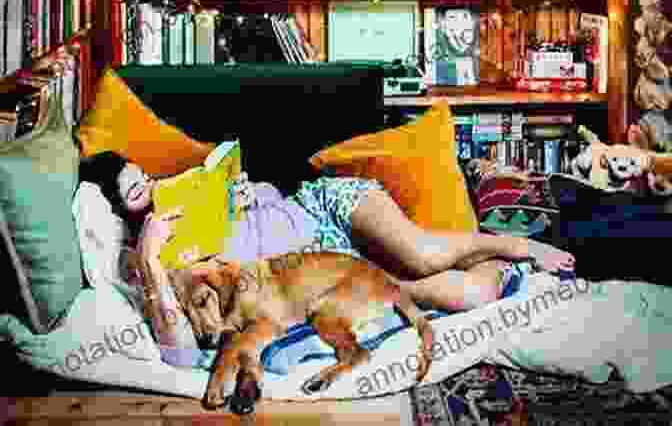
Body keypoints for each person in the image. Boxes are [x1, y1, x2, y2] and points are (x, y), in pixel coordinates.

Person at [78, 151, 574, 368]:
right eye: (139, 191)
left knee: (421, 256)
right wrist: (149, 258)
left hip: (325, 208)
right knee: (474, 293)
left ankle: (516, 244)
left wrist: (250, 195)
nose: (154, 189)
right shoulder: (148, 262)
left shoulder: (186, 194)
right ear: (120, 210)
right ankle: (504, 264)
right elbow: (181, 356)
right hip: (325, 272)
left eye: (147, 177)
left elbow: (280, 197)